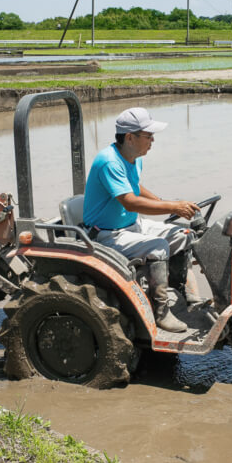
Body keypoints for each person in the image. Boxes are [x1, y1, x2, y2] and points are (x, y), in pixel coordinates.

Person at [82, 106, 200, 332]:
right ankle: (161, 312)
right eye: (148, 136)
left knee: (183, 234)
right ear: (129, 137)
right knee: (159, 247)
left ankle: (180, 293)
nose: (153, 140)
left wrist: (163, 203)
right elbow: (130, 201)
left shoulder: (134, 157)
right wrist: (172, 205)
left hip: (129, 225)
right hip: (106, 234)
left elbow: (134, 187)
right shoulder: (109, 161)